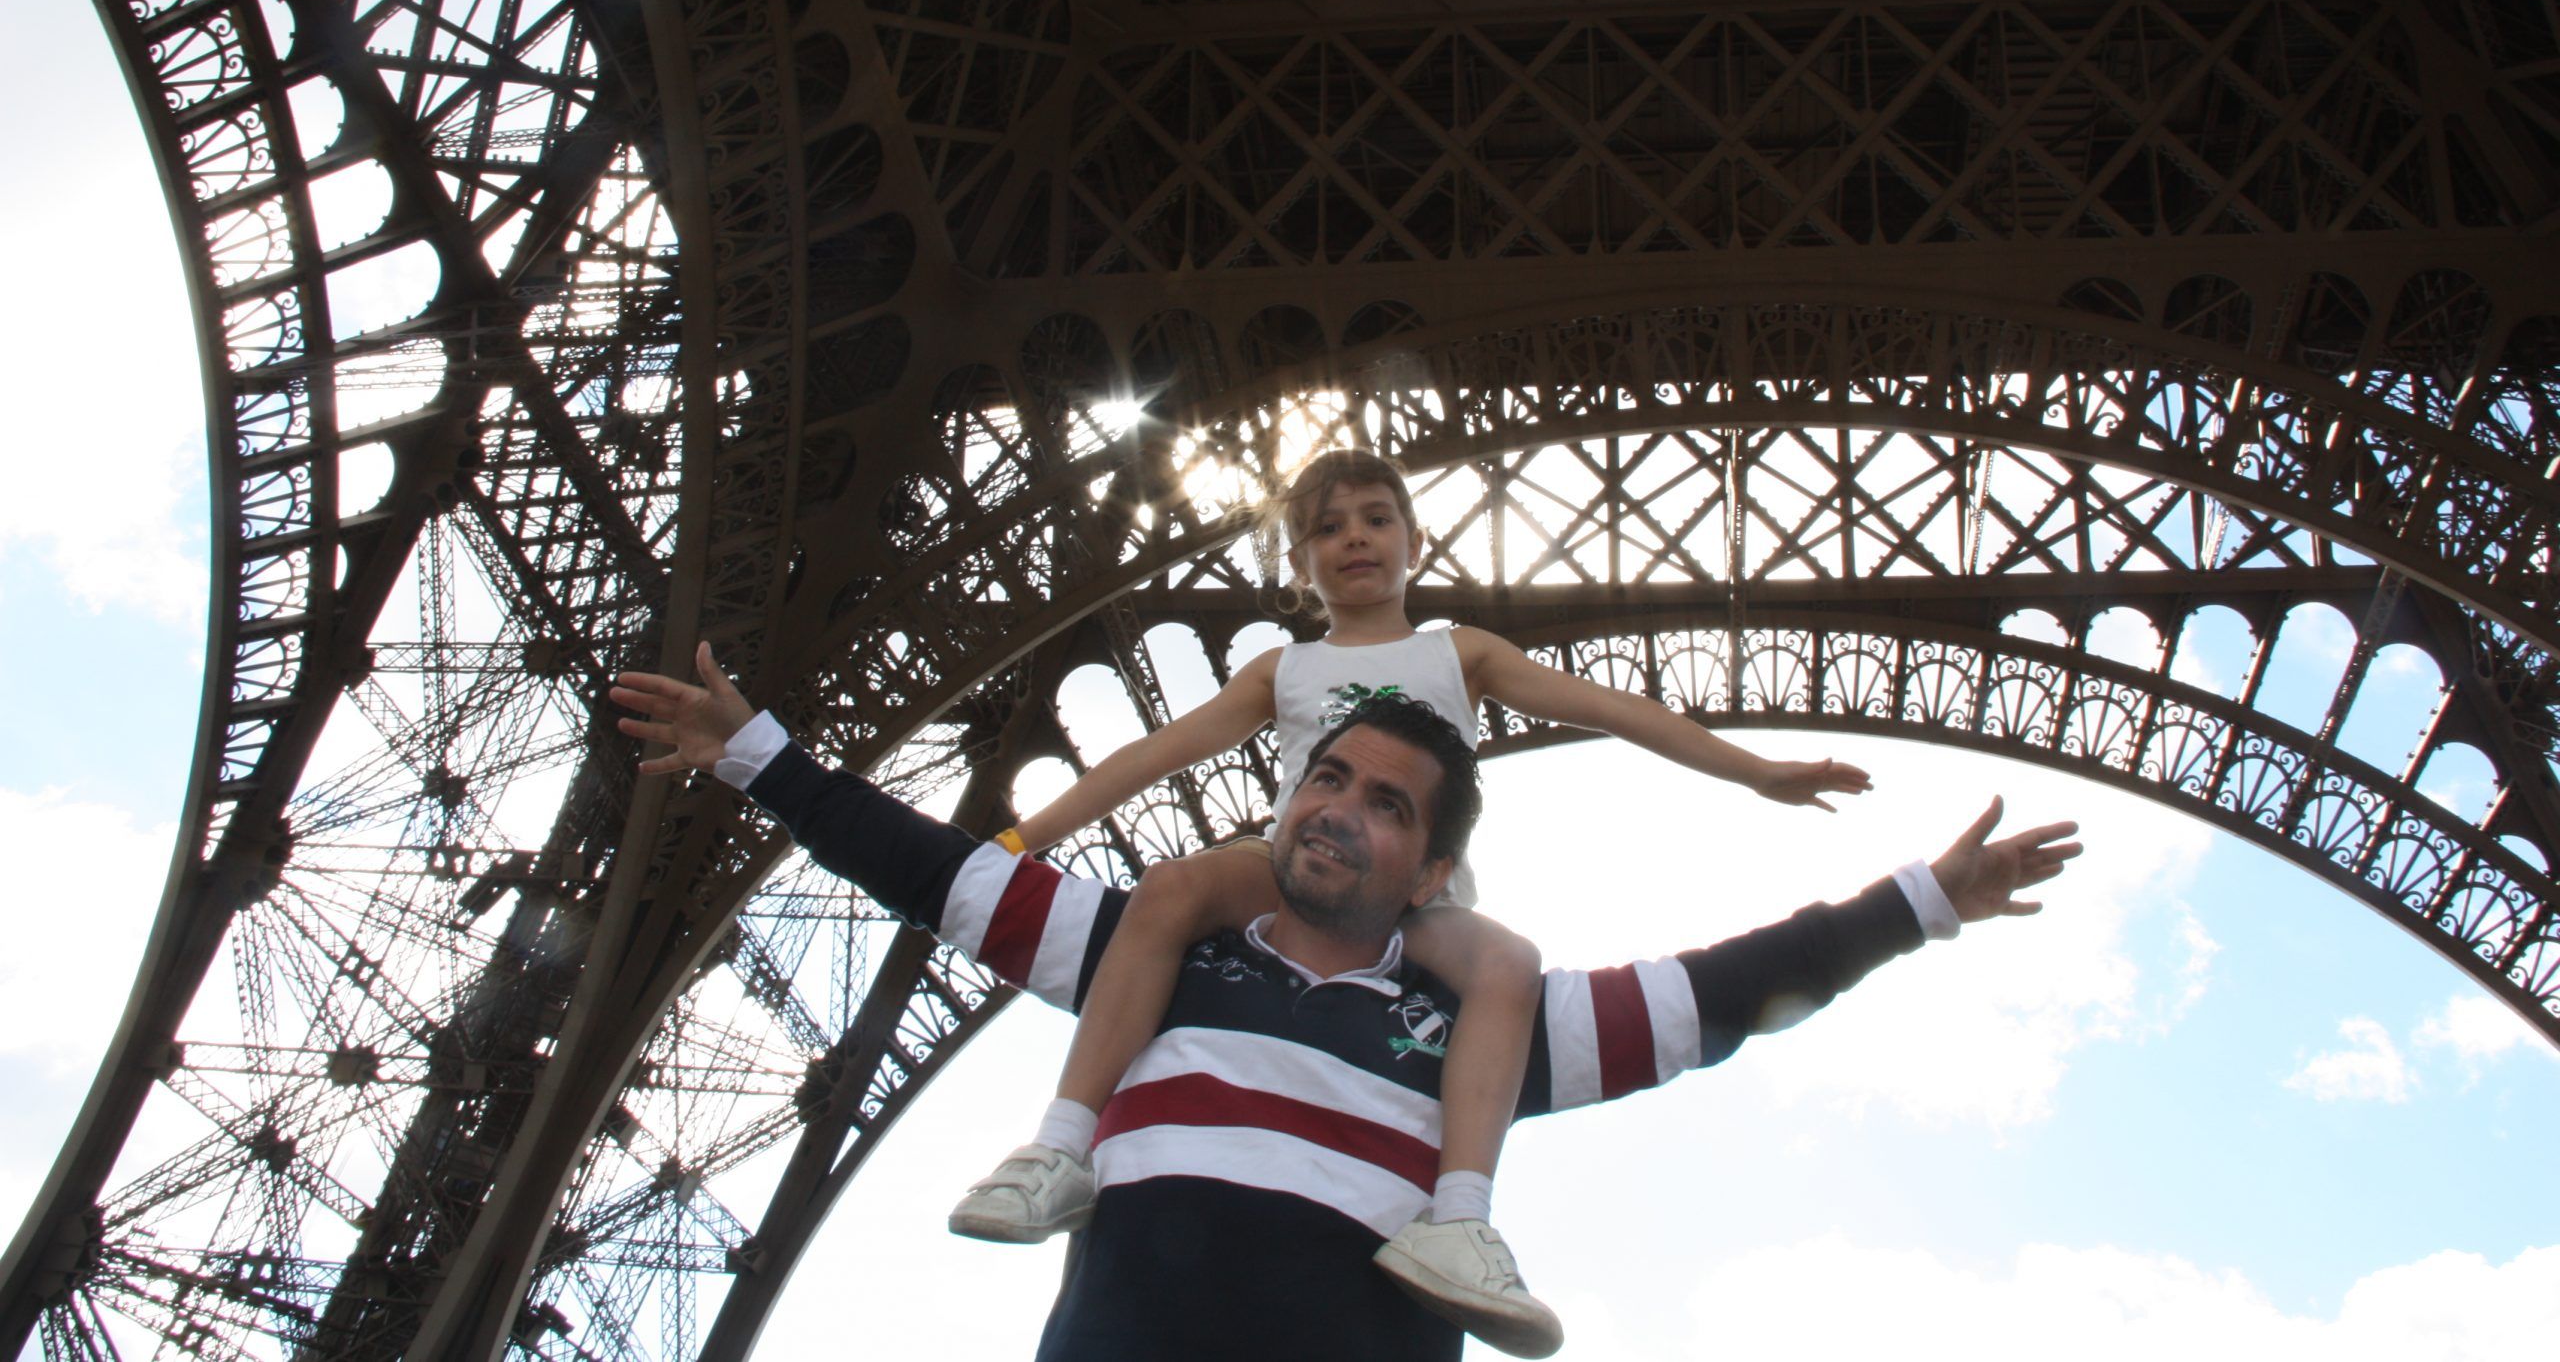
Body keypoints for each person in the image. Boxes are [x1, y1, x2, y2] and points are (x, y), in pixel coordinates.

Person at [612, 648, 2080, 1362]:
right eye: (1325, 776)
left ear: (1432, 867)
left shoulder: (1474, 1037)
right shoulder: (1157, 954)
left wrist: (1920, 899)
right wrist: (764, 757)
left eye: (1386, 803)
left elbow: (1706, 997)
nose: (1340, 810)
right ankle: (1055, 1140)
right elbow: (940, 871)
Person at [951, 449, 1873, 1354]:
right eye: (1327, 526)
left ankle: (1460, 1221)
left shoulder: (1459, 651)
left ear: (1415, 539)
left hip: (1411, 897)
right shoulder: (1281, 670)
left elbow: (1612, 708)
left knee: (1508, 961)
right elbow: (1151, 756)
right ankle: (1062, 1144)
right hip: (1295, 873)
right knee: (1177, 883)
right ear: (1300, 565)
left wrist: (1758, 771)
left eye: (1375, 518)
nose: (1354, 537)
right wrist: (1024, 838)